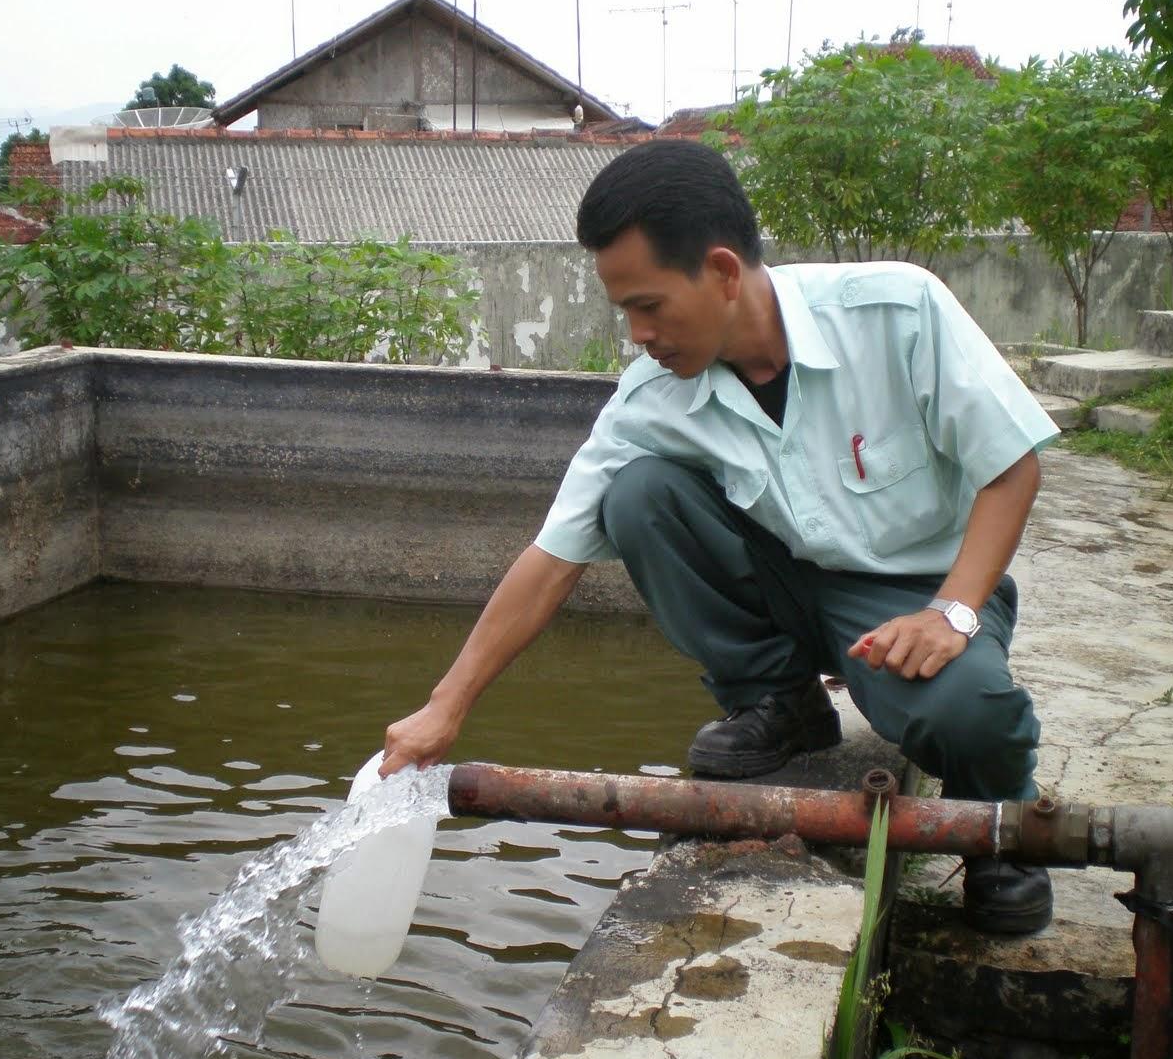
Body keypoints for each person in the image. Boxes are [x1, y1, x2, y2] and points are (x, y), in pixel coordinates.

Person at [382, 140, 1060, 935]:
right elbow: (552, 557)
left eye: (649, 305)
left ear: (724, 272)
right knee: (637, 495)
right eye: (624, 311)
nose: (638, 334)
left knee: (969, 715)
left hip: (909, 596)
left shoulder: (895, 312)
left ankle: (1003, 829)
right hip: (782, 579)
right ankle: (778, 701)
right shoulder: (652, 399)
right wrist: (445, 706)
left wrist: (952, 612)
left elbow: (1010, 467)